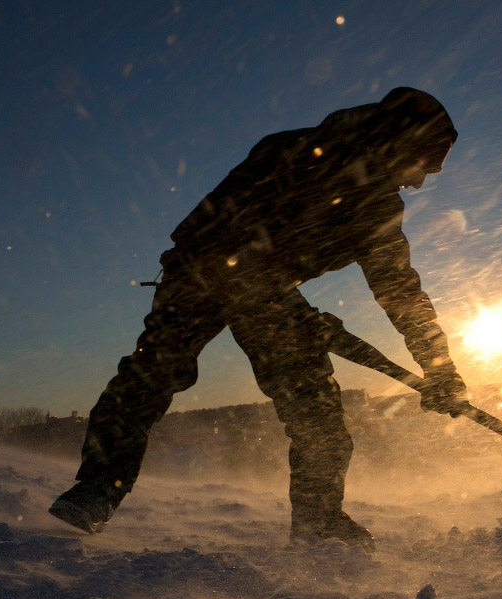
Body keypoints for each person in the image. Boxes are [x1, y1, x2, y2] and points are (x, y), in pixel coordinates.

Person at [49, 87, 467, 551]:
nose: (419, 183)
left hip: (273, 298)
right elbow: (230, 230)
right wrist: (287, 307)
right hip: (199, 272)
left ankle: (318, 520)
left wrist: (440, 367)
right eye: (419, 164)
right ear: (394, 140)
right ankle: (94, 491)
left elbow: (399, 289)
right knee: (153, 374)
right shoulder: (293, 152)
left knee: (315, 407)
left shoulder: (379, 207)